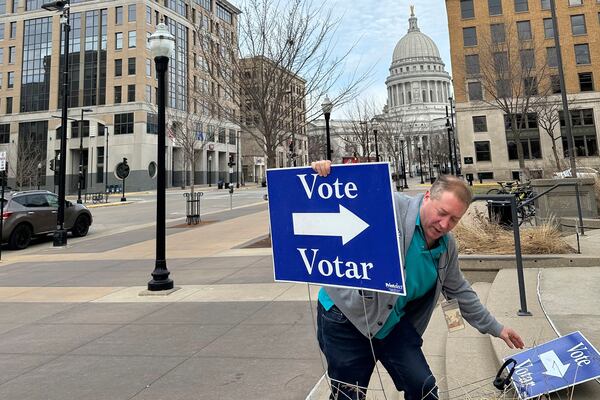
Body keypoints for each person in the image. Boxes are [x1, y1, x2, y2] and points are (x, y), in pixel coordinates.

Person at [311, 160, 524, 400]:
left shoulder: (446, 246)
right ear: (426, 197)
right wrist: (326, 174)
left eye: (454, 219)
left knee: (423, 389)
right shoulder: (391, 207)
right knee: (348, 395)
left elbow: (460, 290)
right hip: (345, 315)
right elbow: (342, 198)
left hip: (391, 321)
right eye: (441, 213)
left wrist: (497, 328)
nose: (445, 224)